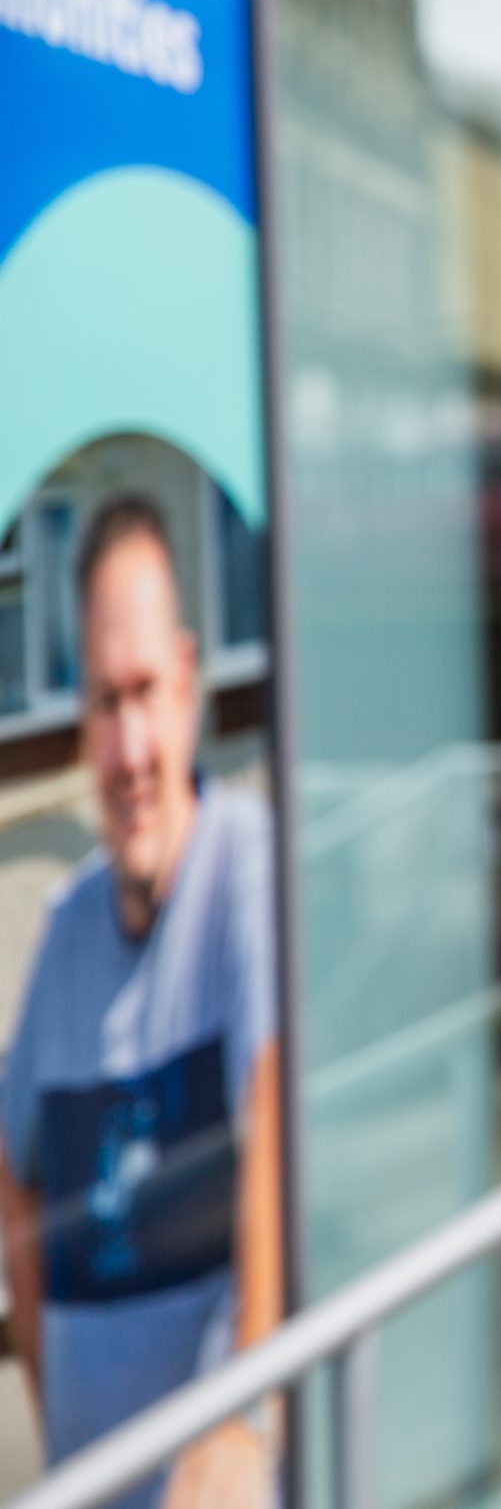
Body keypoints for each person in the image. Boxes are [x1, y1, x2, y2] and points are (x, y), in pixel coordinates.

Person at [0, 496, 281, 1509]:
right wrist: (48, 1391)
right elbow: (11, 1163)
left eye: (148, 694)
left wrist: (244, 1415)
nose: (130, 751)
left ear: (191, 684)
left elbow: (278, 1121)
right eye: (106, 705)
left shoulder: (245, 865)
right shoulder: (70, 926)